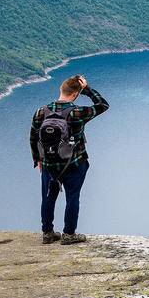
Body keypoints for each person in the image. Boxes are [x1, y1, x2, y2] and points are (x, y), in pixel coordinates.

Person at [29, 74, 110, 245]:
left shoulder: (41, 111)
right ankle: (68, 234)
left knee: (48, 198)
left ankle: (48, 233)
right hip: (74, 163)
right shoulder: (77, 112)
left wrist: (37, 159)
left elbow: (33, 137)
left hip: (48, 164)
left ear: (61, 89)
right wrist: (87, 90)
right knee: (72, 197)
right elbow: (103, 105)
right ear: (75, 94)